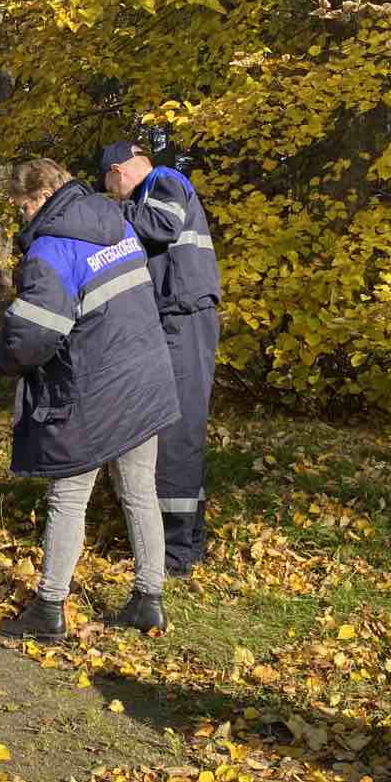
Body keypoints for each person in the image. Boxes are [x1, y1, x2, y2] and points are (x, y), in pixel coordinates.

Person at [0, 159, 179, 640]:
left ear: (35, 199)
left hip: (94, 389)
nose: (21, 215)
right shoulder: (116, 222)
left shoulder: (50, 250)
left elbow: (35, 337)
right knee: (140, 493)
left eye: (21, 206)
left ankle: (49, 609)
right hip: (146, 376)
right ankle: (148, 600)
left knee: (68, 498)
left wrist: (3, 354)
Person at [100, 141, 222, 575]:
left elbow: (159, 227)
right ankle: (188, 543)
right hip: (179, 318)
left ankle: (175, 553)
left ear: (118, 170)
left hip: (183, 319)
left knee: (175, 433)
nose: (116, 195)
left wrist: (105, 214)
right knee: (177, 430)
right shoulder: (161, 184)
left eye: (111, 186)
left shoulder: (162, 181)